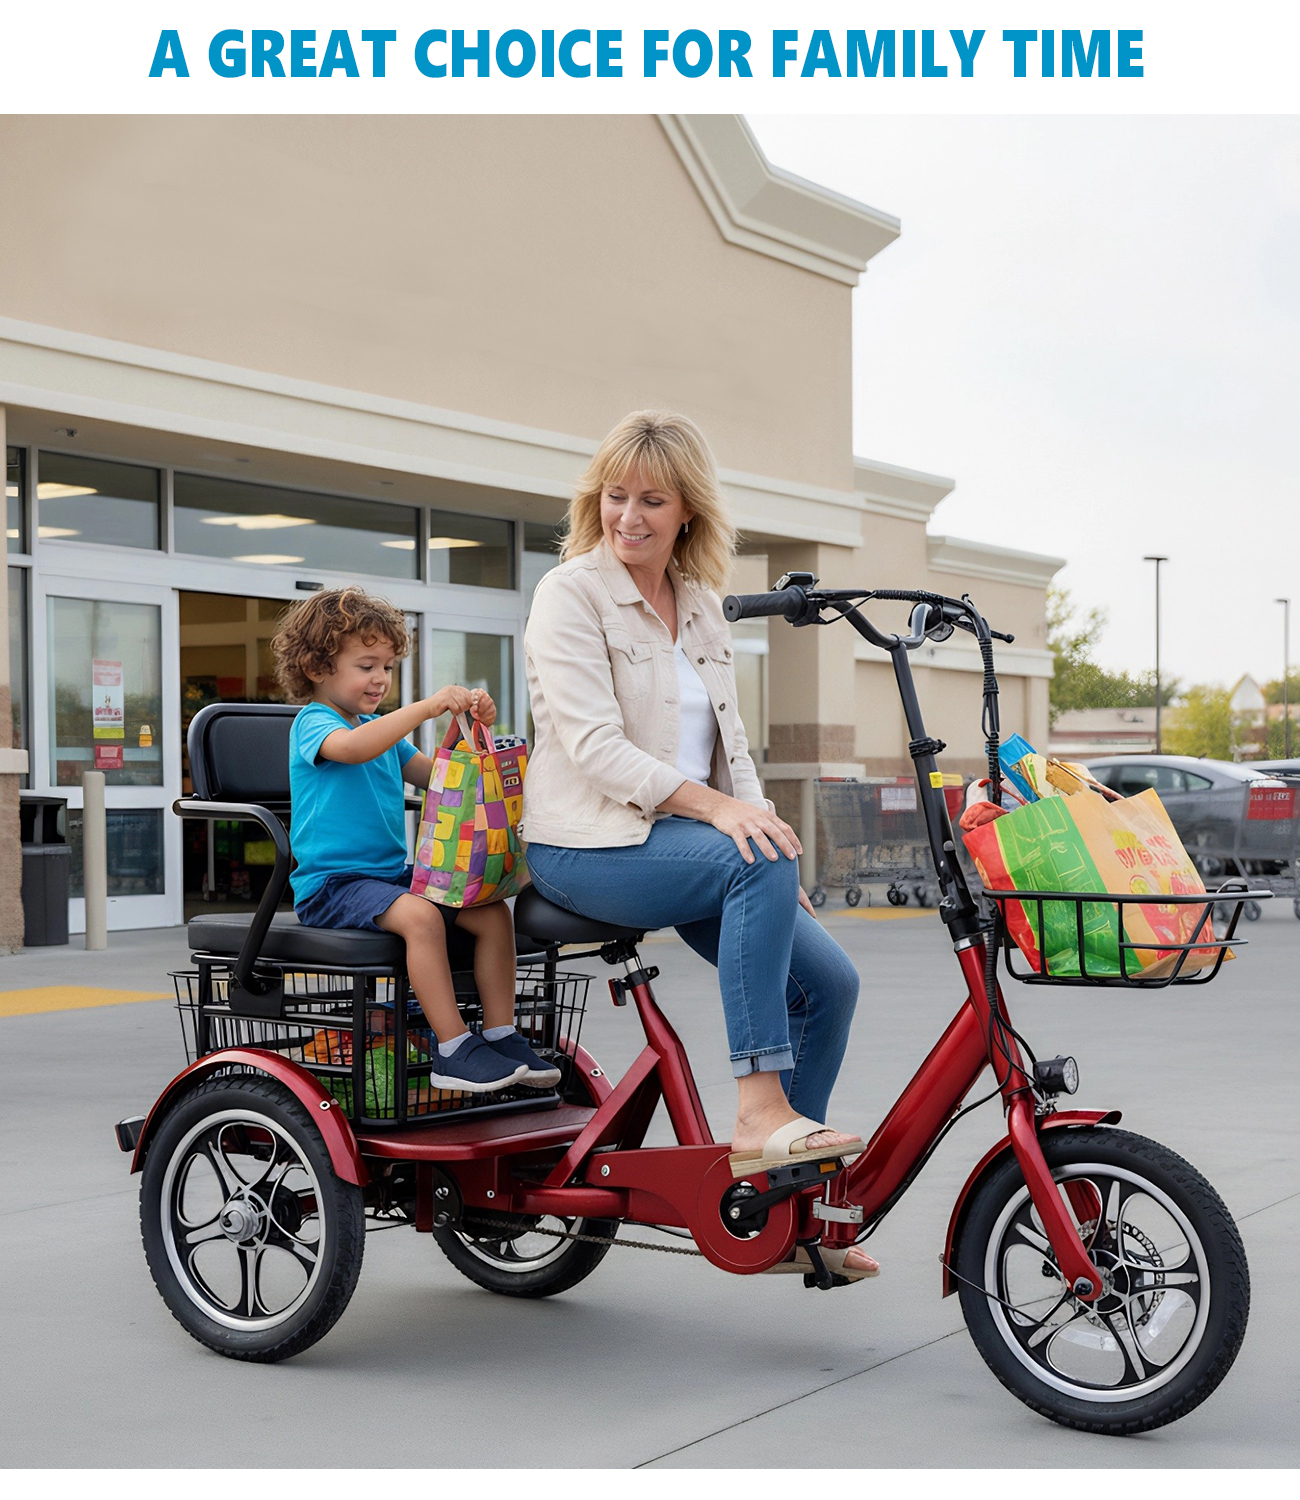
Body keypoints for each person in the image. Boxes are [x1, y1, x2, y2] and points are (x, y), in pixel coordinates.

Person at [523, 411, 877, 1279]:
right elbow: (594, 746)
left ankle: (784, 1204)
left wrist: (761, 829)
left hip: (681, 840)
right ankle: (759, 1107)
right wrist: (722, 816)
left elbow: (734, 745)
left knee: (831, 985)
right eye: (616, 496)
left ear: (689, 512)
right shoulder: (570, 594)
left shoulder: (703, 606)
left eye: (653, 499)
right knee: (745, 853)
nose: (629, 516)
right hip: (586, 845)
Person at [271, 586, 558, 1093]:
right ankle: (452, 1048)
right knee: (422, 916)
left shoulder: (383, 731)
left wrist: (473, 729)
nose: (380, 678)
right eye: (366, 665)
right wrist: (425, 708)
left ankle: (500, 1033)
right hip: (333, 885)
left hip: (387, 879)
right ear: (317, 668)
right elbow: (354, 749)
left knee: (491, 910)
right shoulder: (314, 724)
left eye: (386, 665)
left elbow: (444, 781)